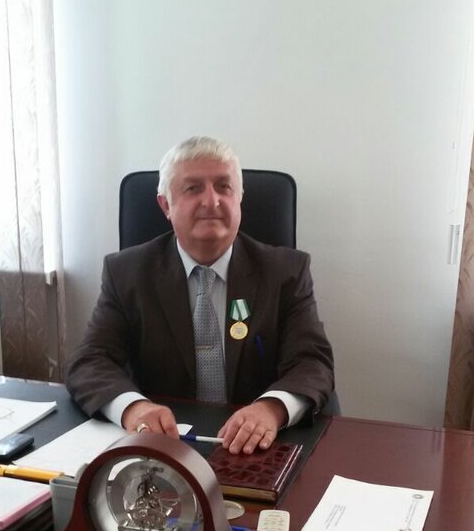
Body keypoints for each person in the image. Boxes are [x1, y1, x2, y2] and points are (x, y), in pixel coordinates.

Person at [65, 136, 334, 454]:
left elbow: (312, 363)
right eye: (193, 188)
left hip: (255, 449)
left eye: (224, 187)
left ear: (239, 199)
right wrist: (133, 409)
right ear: (166, 205)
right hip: (165, 447)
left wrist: (271, 408)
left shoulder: (285, 272)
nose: (211, 201)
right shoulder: (127, 273)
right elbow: (90, 361)